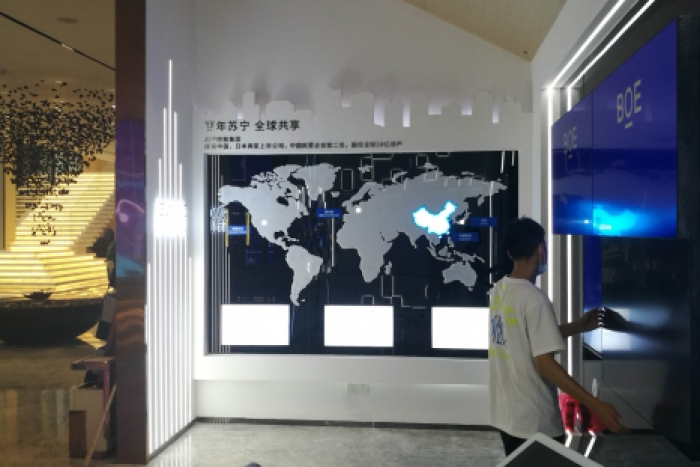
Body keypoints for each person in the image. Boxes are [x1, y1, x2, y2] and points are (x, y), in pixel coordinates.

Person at [489, 217, 628, 456]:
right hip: (535, 421)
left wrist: (575, 327)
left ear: (510, 253)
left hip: (508, 416)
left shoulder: (500, 290)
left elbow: (523, 339)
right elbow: (544, 363)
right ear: (541, 249)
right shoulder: (534, 298)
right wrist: (595, 405)